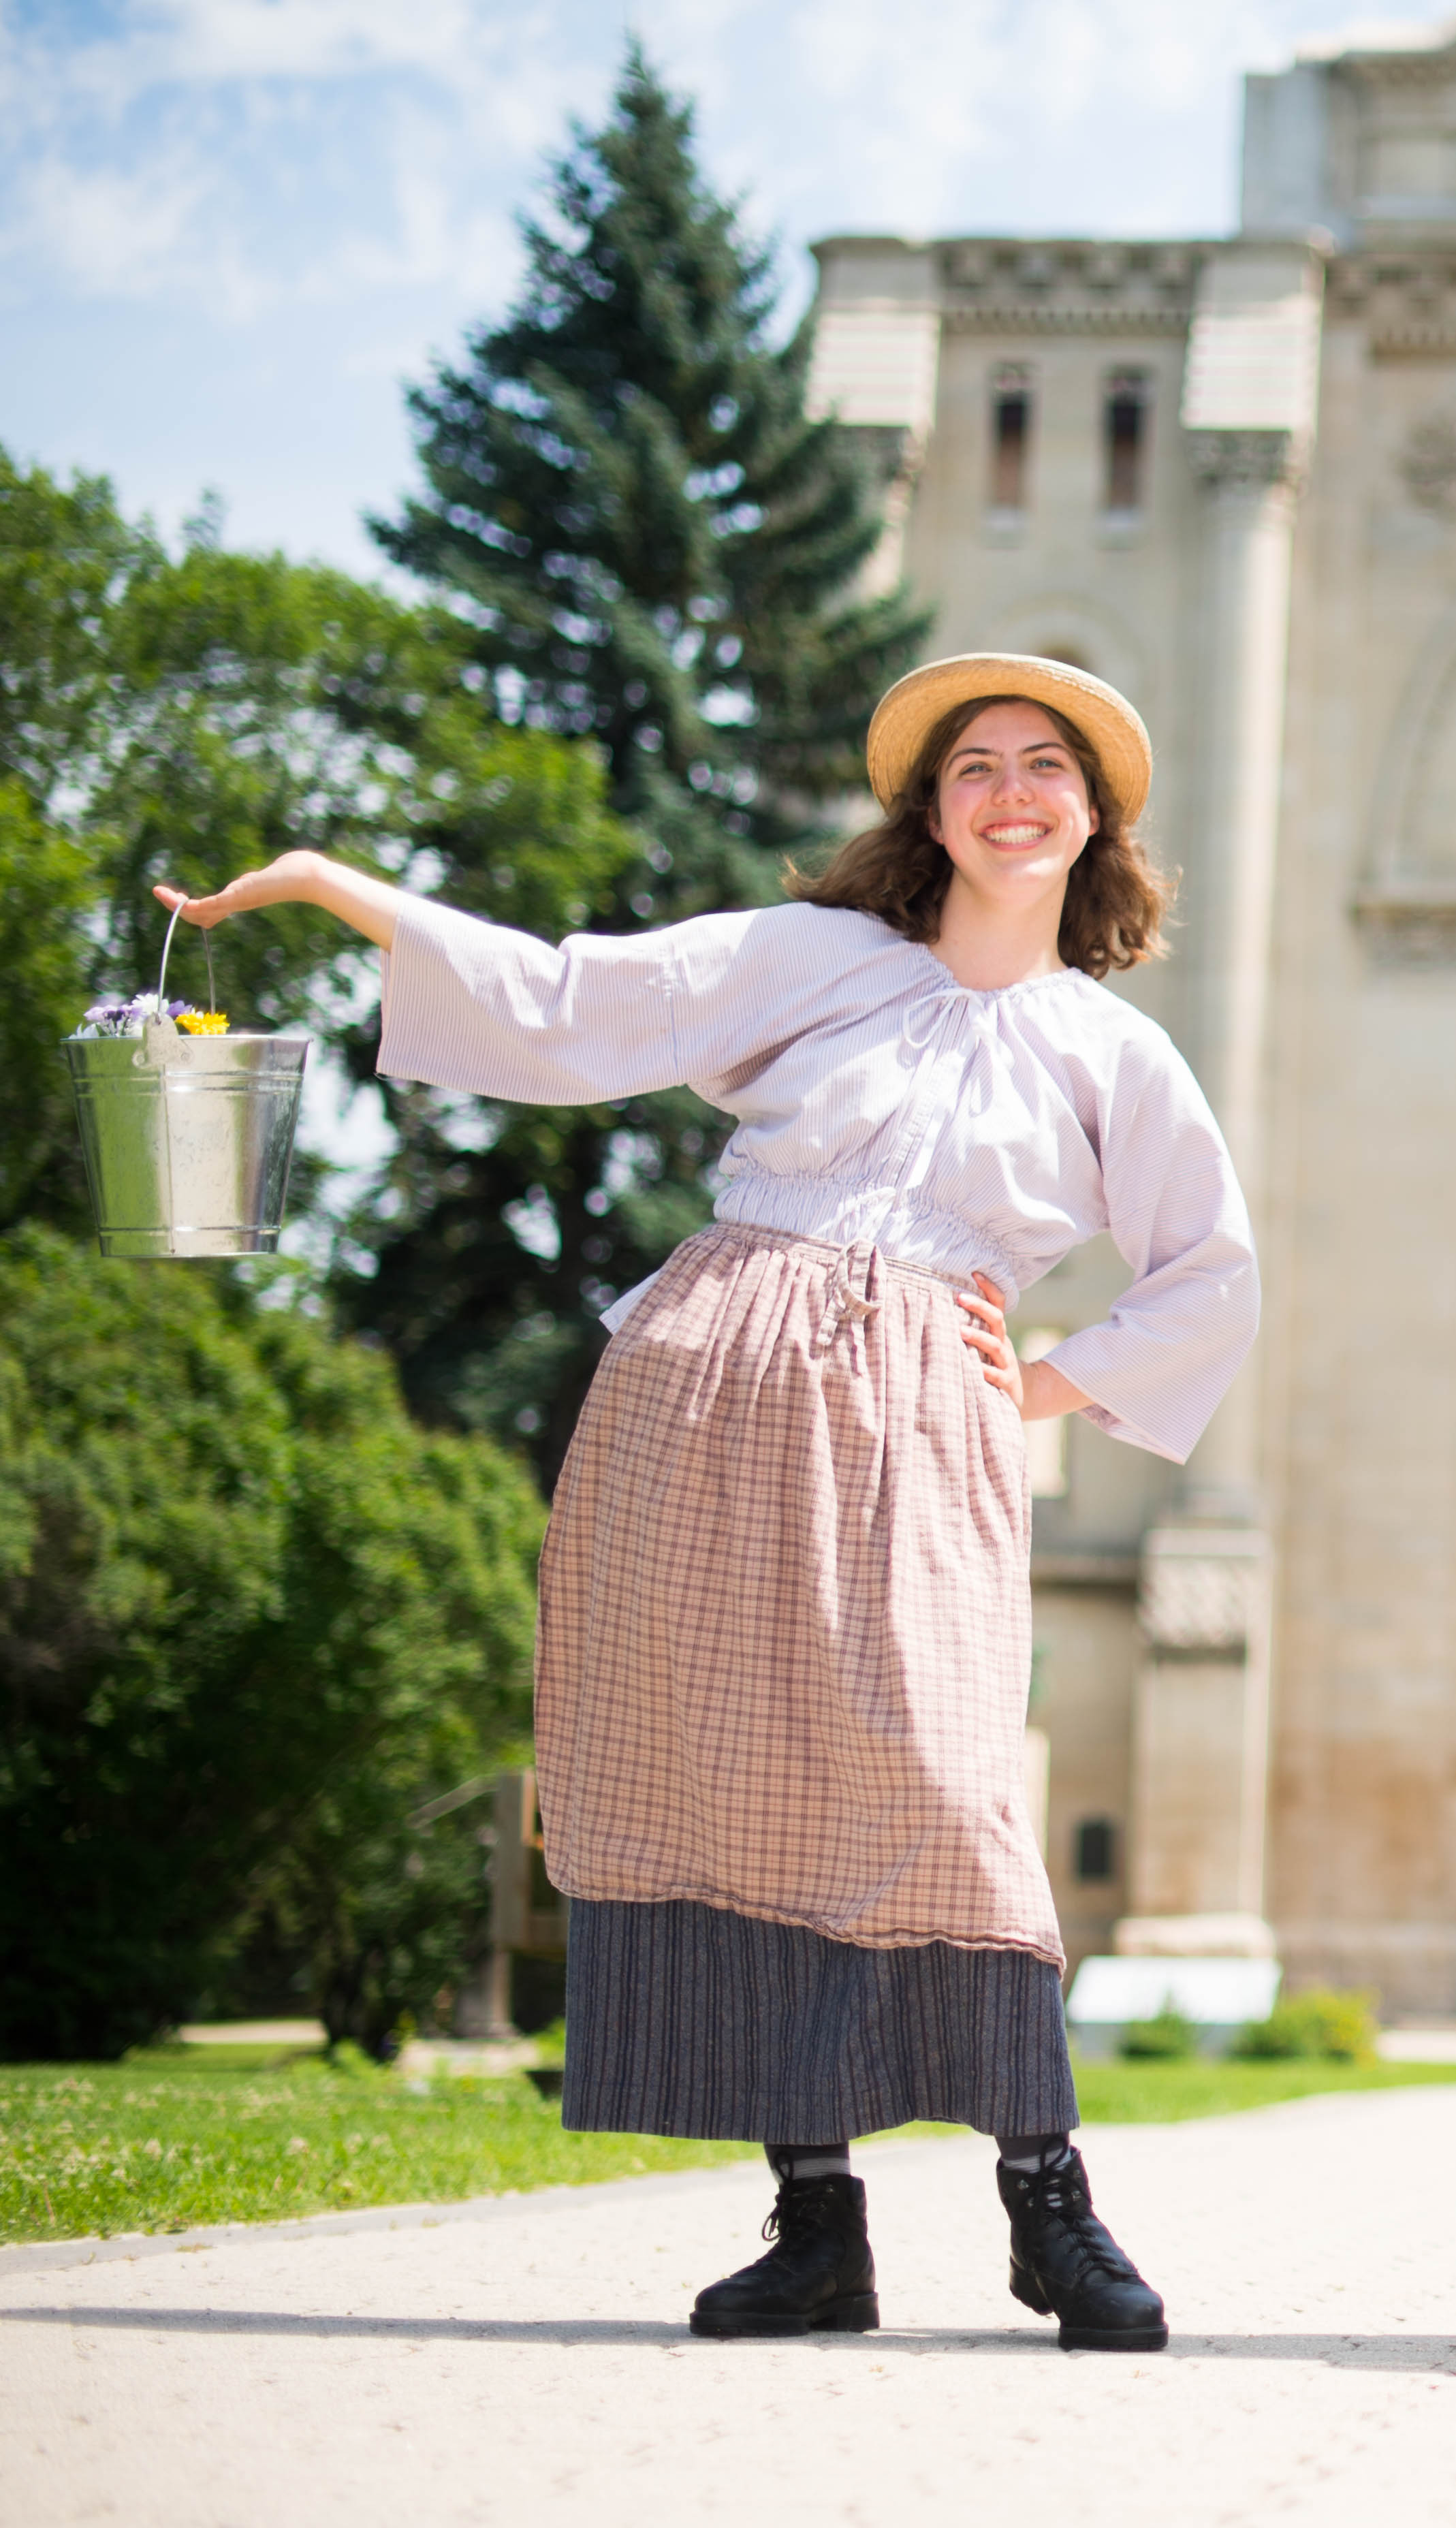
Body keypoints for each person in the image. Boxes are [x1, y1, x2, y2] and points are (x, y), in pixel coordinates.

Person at [161, 655, 1257, 2353]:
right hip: (702, 1385)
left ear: (1096, 816)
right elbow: (564, 998)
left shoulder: (1113, 1051)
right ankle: (816, 2221)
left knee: (945, 1782)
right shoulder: (813, 957)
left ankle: (1049, 2201)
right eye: (976, 765)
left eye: (1048, 766)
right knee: (728, 1778)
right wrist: (332, 888)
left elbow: (1213, 1274)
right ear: (932, 810)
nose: (1012, 789)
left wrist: (1042, 1380)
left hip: (921, 1426)